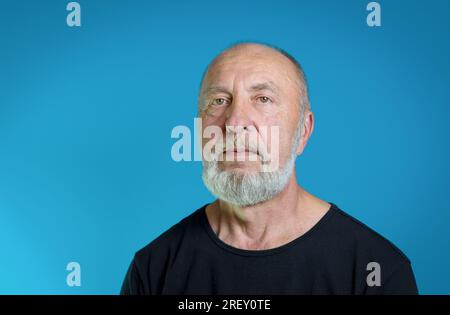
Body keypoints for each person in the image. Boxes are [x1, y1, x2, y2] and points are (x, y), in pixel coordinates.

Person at [120, 42, 418, 294]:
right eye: (219, 101)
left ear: (303, 131)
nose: (235, 123)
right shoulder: (153, 269)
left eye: (263, 99)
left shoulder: (375, 269)